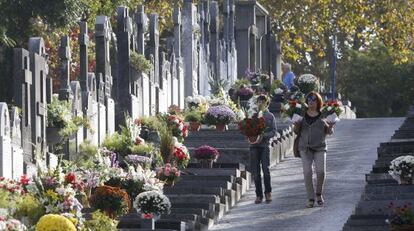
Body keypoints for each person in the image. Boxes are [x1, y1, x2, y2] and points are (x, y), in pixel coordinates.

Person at [293, 91, 334, 208]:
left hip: (320, 147)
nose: (311, 103)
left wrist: (330, 126)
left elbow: (329, 132)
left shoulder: (323, 115)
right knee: (307, 172)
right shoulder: (301, 115)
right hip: (305, 148)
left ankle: (319, 193)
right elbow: (296, 132)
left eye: (313, 100)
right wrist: (296, 125)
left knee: (321, 172)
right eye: (309, 101)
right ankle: (310, 198)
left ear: (318, 102)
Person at [249, 95, 277, 204]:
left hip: (265, 145)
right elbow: (247, 129)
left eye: (263, 101)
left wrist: (263, 135)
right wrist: (250, 135)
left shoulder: (270, 116)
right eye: (259, 101)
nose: (260, 103)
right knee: (255, 172)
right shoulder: (253, 115)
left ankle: (268, 192)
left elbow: (274, 131)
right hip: (253, 146)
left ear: (267, 103)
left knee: (266, 170)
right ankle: (258, 195)